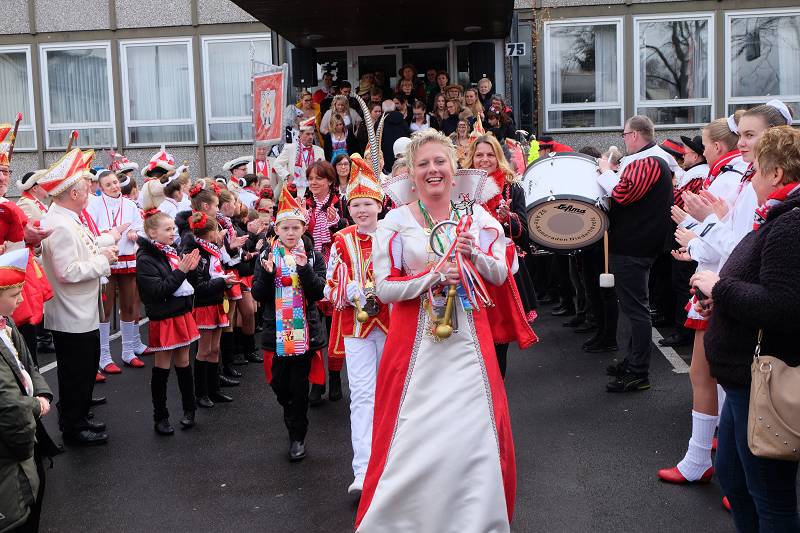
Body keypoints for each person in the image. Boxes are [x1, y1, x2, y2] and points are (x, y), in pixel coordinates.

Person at [356, 130, 515, 532]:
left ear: (452, 166)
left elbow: (501, 274)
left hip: (468, 346)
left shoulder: (474, 215)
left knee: (472, 437)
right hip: (416, 347)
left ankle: (473, 520)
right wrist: (431, 276)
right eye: (423, 164)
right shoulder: (395, 221)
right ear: (411, 173)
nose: (433, 171)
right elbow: (387, 288)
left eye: (439, 162)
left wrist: (471, 252)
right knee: (414, 438)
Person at [661, 103, 793, 488]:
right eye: (742, 135)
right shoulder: (750, 176)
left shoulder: (761, 182)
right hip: (724, 286)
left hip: (731, 292)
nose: (742, 142)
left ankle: (711, 465)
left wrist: (697, 228)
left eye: (751, 135)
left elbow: (741, 247)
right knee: (716, 381)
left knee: (716, 380)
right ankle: (710, 462)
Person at [692, 125, 800, 532]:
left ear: (776, 174)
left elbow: (781, 306)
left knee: (770, 497)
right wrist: (722, 298)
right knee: (737, 480)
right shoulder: (782, 214)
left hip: (762, 378)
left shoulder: (791, 223)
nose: (749, 178)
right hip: (744, 377)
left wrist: (721, 287)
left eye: (755, 169)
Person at [39, 148, 118, 445]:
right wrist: (103, 261)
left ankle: (79, 417)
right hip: (71, 313)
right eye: (87, 188)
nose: (90, 193)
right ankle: (73, 426)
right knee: (76, 373)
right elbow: (67, 271)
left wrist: (102, 248)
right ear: (73, 193)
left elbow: (82, 249)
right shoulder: (59, 224)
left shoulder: (66, 218)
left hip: (79, 310)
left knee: (83, 369)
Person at [324, 154, 390, 495]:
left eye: (367, 203)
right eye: (355, 205)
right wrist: (350, 291)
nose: (361, 210)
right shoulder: (341, 240)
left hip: (393, 325)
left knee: (393, 394)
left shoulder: (395, 233)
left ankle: (391, 465)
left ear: (379, 204)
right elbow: (328, 287)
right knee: (362, 397)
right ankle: (362, 471)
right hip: (356, 326)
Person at [597, 115, 674, 392]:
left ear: (634, 135)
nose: (624, 139)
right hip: (634, 245)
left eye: (625, 134)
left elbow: (623, 194)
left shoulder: (649, 161)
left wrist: (606, 171)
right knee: (634, 309)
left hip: (635, 247)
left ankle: (639, 372)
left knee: (637, 311)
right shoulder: (646, 161)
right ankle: (632, 362)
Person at [252, 188, 327, 462]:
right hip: (276, 332)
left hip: (304, 331)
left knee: (298, 388)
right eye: (285, 228)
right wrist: (269, 275)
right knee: (279, 386)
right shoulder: (267, 255)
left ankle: (297, 437)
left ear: (304, 227)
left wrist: (305, 269)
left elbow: (319, 292)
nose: (291, 233)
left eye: (296, 227)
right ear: (277, 229)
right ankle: (290, 413)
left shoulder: (314, 256)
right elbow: (257, 295)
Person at [464, 134, 538, 378]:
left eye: (490, 155)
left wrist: (508, 219)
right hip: (469, 271)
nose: (485, 160)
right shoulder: (461, 186)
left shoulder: (512, 186)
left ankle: (496, 389)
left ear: (498, 157)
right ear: (471, 158)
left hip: (502, 272)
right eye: (479, 155)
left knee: (498, 340)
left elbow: (524, 234)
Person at [0, 248, 56, 533]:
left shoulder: (7, 323)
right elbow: (8, 403)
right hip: (13, 440)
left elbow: (28, 365)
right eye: (14, 295)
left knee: (36, 494)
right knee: (18, 514)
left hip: (26, 426)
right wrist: (34, 408)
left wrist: (43, 393)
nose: (21, 299)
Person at [136, 210, 201, 435]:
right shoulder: (145, 259)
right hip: (163, 317)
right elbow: (158, 291)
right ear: (152, 232)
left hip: (181, 312)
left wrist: (190, 270)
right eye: (167, 229)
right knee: (162, 366)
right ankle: (160, 417)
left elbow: (185, 285)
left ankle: (189, 409)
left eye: (173, 228)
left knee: (184, 362)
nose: (173, 232)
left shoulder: (170, 251)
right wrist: (183, 271)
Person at [86, 170, 146, 372]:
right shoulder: (94, 204)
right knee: (106, 308)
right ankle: (104, 356)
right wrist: (111, 233)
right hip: (106, 260)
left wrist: (133, 233)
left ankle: (128, 352)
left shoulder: (129, 204)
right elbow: (91, 231)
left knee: (129, 305)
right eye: (109, 184)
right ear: (101, 188)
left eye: (115, 182)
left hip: (127, 258)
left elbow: (139, 227)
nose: (114, 187)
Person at [183, 189, 236, 408]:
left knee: (215, 348)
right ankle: (201, 392)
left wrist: (224, 280)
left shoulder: (212, 251)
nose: (220, 235)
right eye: (217, 232)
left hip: (216, 302)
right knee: (204, 350)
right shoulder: (199, 254)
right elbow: (200, 286)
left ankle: (214, 389)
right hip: (204, 305)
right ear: (209, 234)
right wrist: (223, 281)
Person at [304, 161, 348, 404]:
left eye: (319, 178)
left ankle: (335, 379)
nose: (314, 182)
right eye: (311, 178)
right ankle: (317, 381)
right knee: (312, 328)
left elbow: (350, 228)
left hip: (334, 270)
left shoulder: (340, 203)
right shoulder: (304, 204)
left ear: (330, 181)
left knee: (334, 329)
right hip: (309, 269)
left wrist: (336, 223)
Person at [272, 117, 325, 199]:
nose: (311, 137)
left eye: (312, 134)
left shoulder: (319, 151)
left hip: (315, 193)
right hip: (295, 192)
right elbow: (276, 164)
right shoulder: (290, 148)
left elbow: (324, 172)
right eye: (307, 134)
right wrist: (287, 176)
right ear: (300, 135)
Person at [379, 100, 410, 175]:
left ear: (383, 110)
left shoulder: (380, 124)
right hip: (402, 161)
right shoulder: (403, 122)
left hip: (386, 163)